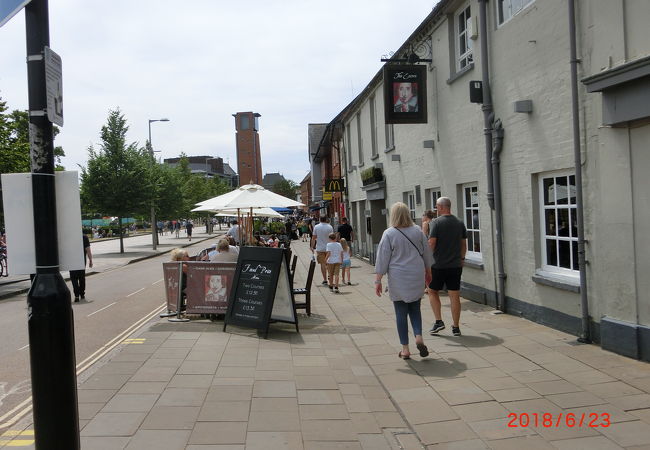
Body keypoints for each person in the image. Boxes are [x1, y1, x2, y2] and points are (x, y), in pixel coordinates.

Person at [375, 202, 433, 360]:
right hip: (416, 275)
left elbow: (382, 259)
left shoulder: (389, 233)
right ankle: (419, 336)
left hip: (398, 277)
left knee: (401, 312)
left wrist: (378, 280)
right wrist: (428, 272)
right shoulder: (417, 231)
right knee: (415, 309)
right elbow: (427, 253)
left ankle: (405, 349)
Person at [427, 196, 467, 337]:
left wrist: (426, 260)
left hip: (438, 265)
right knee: (454, 295)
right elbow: (463, 244)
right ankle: (456, 327)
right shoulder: (459, 223)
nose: (436, 209)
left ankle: (439, 321)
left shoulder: (436, 223)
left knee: (432, 291)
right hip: (456, 265)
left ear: (442, 207)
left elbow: (431, 243)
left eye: (437, 206)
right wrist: (462, 259)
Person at [70, 233, 93, 302]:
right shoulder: (84, 237)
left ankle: (76, 295)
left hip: (72, 261)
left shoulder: (70, 236)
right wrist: (90, 260)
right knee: (81, 278)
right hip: (81, 261)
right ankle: (82, 294)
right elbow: (88, 250)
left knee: (74, 279)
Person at [311, 216, 333, 285]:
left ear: (320, 219)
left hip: (320, 248)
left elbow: (314, 238)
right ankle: (330, 274)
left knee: (322, 264)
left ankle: (325, 279)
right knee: (329, 262)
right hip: (329, 248)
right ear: (326, 219)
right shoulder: (330, 227)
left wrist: (312, 247)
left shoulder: (316, 227)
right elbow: (332, 237)